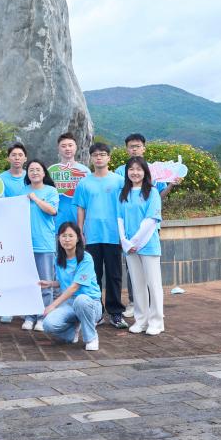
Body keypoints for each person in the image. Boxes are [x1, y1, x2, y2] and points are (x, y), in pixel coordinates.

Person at [75, 143, 128, 328]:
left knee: (114, 275)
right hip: (92, 235)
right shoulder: (84, 183)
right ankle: (96, 313)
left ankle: (116, 313)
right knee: (93, 276)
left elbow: (125, 206)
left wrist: (124, 232)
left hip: (113, 235)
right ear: (91, 158)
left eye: (103, 154)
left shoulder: (119, 181)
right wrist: (80, 230)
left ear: (109, 158)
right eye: (95, 155)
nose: (99, 157)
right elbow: (81, 208)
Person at [117, 156, 164, 335]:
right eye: (131, 169)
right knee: (137, 285)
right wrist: (125, 242)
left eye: (139, 169)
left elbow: (151, 220)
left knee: (153, 284)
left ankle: (156, 322)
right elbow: (119, 219)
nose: (135, 173)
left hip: (148, 245)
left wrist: (135, 242)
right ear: (126, 172)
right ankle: (141, 320)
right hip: (129, 247)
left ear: (145, 172)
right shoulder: (123, 193)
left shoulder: (152, 192)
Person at [40, 221, 103, 351]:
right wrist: (50, 283)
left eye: (70, 236)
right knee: (47, 324)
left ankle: (91, 338)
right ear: (59, 238)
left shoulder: (86, 258)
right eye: (63, 236)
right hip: (69, 304)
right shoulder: (59, 259)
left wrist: (53, 305)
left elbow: (74, 287)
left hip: (90, 303)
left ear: (78, 238)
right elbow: (64, 282)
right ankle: (74, 329)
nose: (67, 239)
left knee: (81, 300)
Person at [20, 159, 59, 331]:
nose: (34, 172)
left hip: (44, 243)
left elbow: (52, 211)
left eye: (38, 169)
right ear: (27, 174)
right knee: (29, 283)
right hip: (25, 244)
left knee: (45, 283)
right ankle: (29, 316)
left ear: (44, 173)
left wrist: (35, 198)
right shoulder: (23, 191)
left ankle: (43, 317)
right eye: (31, 170)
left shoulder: (50, 191)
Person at [0, 142, 30, 323]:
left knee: (27, 269)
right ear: (8, 158)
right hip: (8, 230)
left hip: (30, 229)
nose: (17, 158)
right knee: (8, 269)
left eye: (20, 155)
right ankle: (7, 307)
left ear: (25, 158)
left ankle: (25, 307)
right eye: (13, 155)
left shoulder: (32, 175)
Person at [52, 132, 91, 232]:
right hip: (56, 223)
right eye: (63, 146)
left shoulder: (85, 171)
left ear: (76, 147)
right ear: (58, 148)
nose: (67, 148)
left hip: (80, 224)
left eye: (70, 145)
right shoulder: (52, 171)